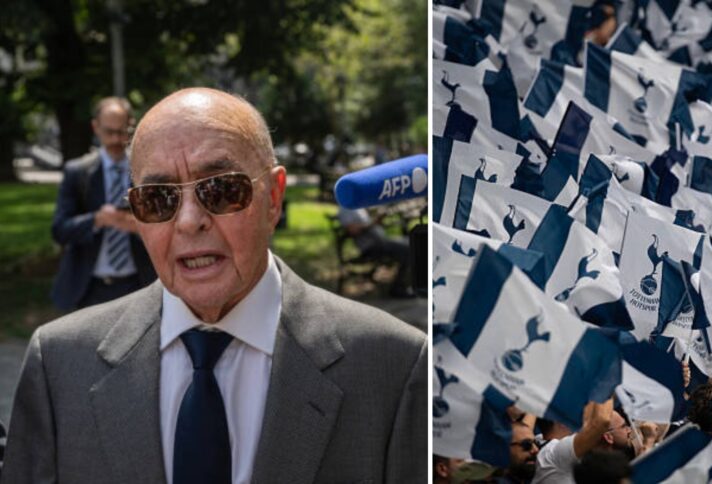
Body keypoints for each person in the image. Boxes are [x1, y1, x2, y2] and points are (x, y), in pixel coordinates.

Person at [1, 88, 427, 483]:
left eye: (222, 190)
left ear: (273, 198)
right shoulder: (57, 364)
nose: (189, 221)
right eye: (158, 198)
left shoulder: (395, 365)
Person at [50, 97, 156, 310]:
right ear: (95, 127)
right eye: (110, 132)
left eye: (122, 132)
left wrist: (139, 227)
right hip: (89, 287)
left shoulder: (148, 171)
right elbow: (60, 230)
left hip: (138, 283)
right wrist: (97, 220)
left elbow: (168, 224)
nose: (116, 140)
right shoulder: (78, 172)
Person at [336, 205, 414, 297]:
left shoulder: (357, 206)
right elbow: (353, 230)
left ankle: (407, 283)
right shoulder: (346, 209)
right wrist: (374, 223)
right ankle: (398, 288)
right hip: (372, 248)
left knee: (411, 242)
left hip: (381, 243)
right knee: (409, 248)